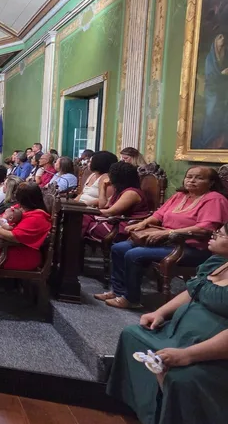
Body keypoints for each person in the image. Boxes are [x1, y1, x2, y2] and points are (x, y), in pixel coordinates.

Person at [106, 223, 228, 424]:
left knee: (180, 378)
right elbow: (192, 290)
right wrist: (160, 313)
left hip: (208, 352)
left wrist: (188, 355)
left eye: (220, 234)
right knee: (131, 335)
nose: (213, 236)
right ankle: (145, 409)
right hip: (176, 333)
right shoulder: (217, 261)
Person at [95, 166, 228, 309]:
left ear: (211, 182)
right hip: (165, 242)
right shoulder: (180, 195)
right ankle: (118, 291)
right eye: (189, 177)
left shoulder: (215, 199)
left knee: (134, 254)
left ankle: (131, 299)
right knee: (119, 248)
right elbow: (159, 215)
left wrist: (168, 233)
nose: (192, 180)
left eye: (199, 178)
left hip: (190, 247)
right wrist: (143, 223)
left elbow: (205, 228)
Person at [82, 161, 149, 244]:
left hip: (124, 226)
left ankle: (73, 246)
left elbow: (110, 212)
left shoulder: (131, 193)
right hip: (114, 221)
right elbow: (103, 205)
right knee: (82, 219)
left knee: (81, 221)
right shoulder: (120, 190)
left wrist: (88, 211)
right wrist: (103, 187)